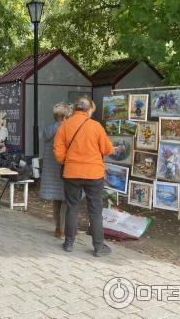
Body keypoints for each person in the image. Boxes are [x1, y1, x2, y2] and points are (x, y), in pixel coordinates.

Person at [54, 96, 115, 257]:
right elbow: (108, 149)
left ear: (75, 109)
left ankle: (68, 243)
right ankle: (98, 246)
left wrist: (69, 160)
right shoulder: (96, 126)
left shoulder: (65, 126)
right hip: (94, 174)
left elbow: (59, 155)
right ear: (88, 110)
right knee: (95, 210)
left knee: (72, 207)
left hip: (72, 173)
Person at [40, 102, 72, 239]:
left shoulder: (48, 130)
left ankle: (58, 228)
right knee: (66, 199)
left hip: (51, 171)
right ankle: (65, 229)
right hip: (63, 168)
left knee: (56, 201)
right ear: (65, 116)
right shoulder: (67, 130)